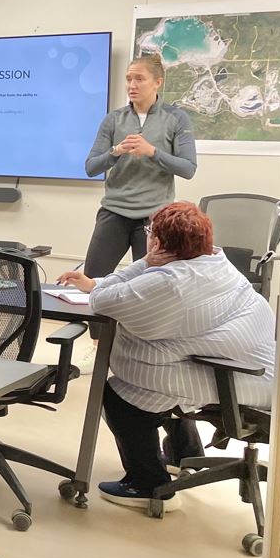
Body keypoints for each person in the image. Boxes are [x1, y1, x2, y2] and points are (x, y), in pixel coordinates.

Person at [59, 201, 275, 512]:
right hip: (255, 369)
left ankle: (148, 484)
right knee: (164, 372)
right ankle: (182, 456)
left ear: (158, 243)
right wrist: (97, 283)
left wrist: (143, 262)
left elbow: (104, 302)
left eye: (150, 233)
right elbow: (123, 292)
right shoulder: (214, 261)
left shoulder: (171, 283)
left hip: (235, 377)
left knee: (121, 395)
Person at [77, 54, 197, 371]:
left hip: (154, 218)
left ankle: (143, 352)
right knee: (95, 278)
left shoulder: (176, 119)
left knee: (150, 286)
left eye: (139, 79)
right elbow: (91, 167)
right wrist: (116, 152)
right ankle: (99, 347)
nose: (132, 85)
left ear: (158, 82)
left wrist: (153, 152)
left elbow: (188, 168)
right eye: (129, 79)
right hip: (114, 211)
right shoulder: (113, 120)